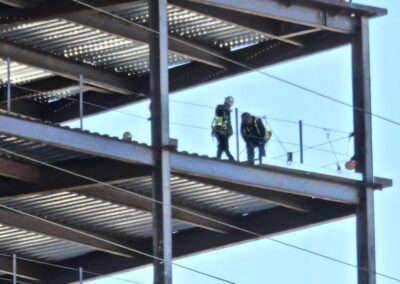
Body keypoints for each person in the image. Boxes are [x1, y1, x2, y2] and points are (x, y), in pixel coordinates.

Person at [212, 96, 235, 161]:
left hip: (226, 131)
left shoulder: (228, 111)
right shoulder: (219, 108)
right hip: (220, 129)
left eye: (229, 105)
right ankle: (230, 157)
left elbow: (227, 121)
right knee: (224, 144)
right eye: (227, 104)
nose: (227, 106)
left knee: (222, 144)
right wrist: (219, 129)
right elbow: (218, 118)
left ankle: (218, 157)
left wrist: (227, 130)